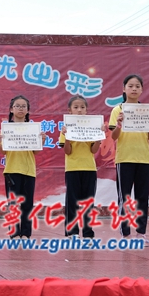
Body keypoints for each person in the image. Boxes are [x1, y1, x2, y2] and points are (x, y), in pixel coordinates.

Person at [109, 74, 149, 246]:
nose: (134, 89)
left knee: (142, 198)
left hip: (144, 159)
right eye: (130, 86)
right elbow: (114, 136)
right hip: (124, 159)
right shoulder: (117, 110)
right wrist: (119, 125)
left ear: (142, 90)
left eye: (137, 86)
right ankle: (125, 234)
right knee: (124, 198)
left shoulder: (146, 111)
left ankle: (140, 233)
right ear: (123, 89)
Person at [0, 95, 45, 239]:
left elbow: (36, 152)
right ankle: (14, 232)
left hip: (29, 170)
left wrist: (41, 140)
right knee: (13, 204)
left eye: (23, 106)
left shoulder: (33, 128)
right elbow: (3, 151)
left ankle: (25, 233)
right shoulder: (6, 129)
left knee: (27, 204)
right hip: (11, 170)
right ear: (11, 109)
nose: (20, 108)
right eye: (17, 106)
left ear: (28, 110)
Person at [59, 95, 104, 239]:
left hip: (89, 168)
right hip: (72, 169)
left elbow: (93, 150)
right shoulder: (65, 128)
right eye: (76, 107)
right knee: (72, 201)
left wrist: (99, 137)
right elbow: (67, 151)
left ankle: (88, 233)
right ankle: (72, 232)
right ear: (69, 110)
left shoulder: (91, 126)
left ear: (86, 110)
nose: (79, 110)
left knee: (88, 202)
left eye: (82, 107)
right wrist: (67, 138)